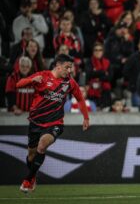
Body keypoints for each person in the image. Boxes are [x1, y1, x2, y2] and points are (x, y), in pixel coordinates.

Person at [17, 54, 90, 193]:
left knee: (42, 145)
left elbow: (80, 99)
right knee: (31, 156)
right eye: (67, 67)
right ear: (58, 66)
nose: (69, 71)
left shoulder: (69, 82)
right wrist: (31, 79)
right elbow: (18, 84)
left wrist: (86, 118)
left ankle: (27, 180)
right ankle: (32, 177)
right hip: (35, 122)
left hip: (55, 123)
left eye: (71, 68)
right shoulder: (43, 76)